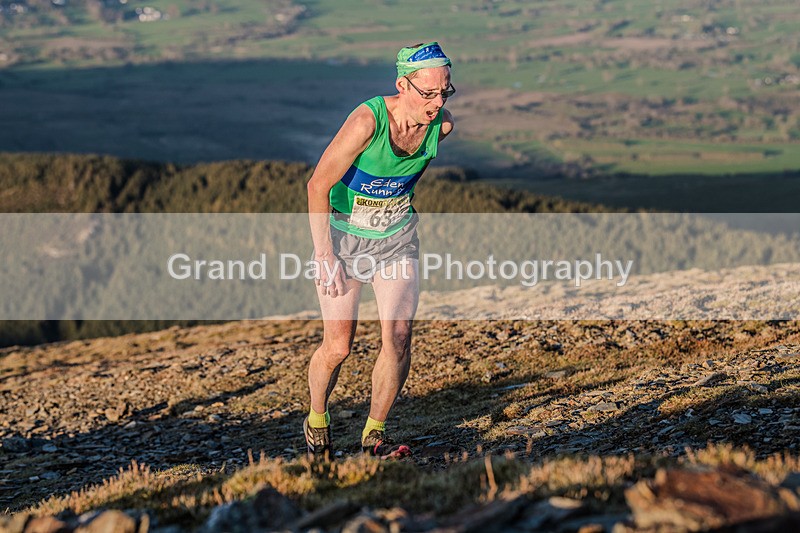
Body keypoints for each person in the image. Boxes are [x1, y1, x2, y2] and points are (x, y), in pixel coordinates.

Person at [304, 42, 455, 460]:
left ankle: (375, 433)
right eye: (428, 93)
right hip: (343, 239)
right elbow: (317, 185)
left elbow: (400, 182)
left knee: (400, 336)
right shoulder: (367, 122)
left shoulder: (441, 127)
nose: (437, 102)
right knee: (338, 346)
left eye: (445, 92)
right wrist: (324, 256)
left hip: (396, 239)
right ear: (402, 85)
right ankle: (317, 419)